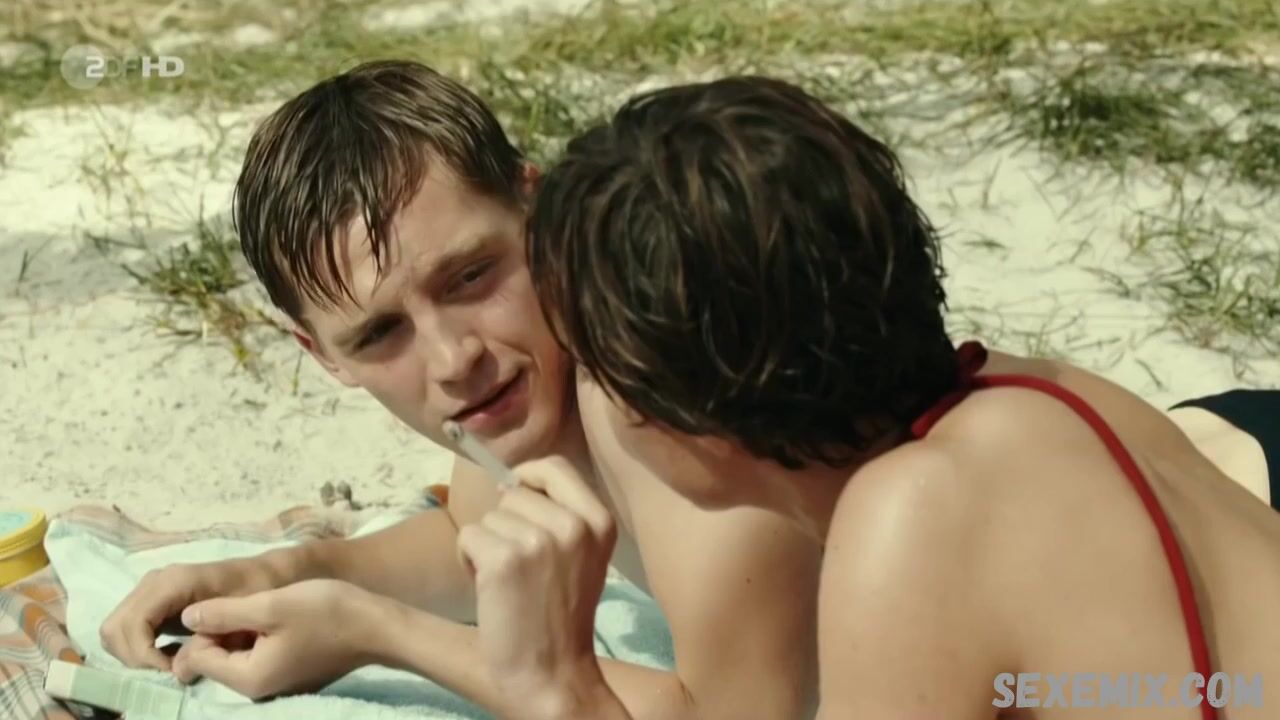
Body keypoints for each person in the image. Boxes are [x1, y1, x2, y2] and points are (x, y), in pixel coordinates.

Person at [99, 62, 1275, 720]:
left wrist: (443, 652)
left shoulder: (887, 521)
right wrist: (297, 571)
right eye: (383, 332)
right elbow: (479, 532)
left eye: (474, 276)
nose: (456, 359)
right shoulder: (963, 420)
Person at [476, 74, 1280, 719]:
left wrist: (558, 687)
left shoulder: (907, 525)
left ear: (691, 425)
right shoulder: (1041, 391)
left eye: (597, 373)